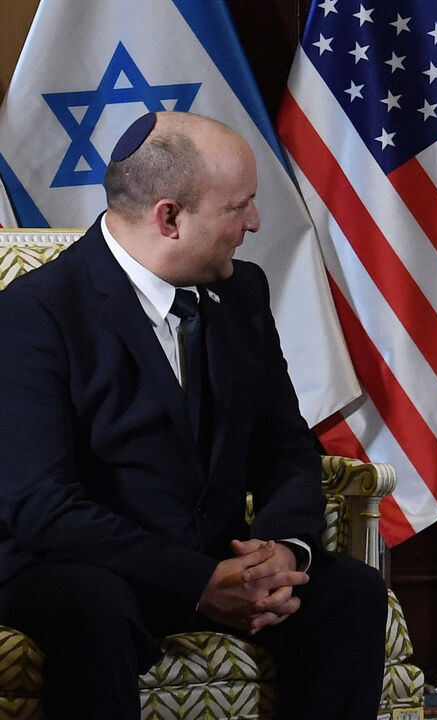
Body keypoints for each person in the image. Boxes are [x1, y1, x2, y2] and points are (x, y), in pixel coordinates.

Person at [0, 111, 387, 719]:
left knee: (351, 595)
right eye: (240, 207)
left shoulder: (242, 293)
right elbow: (40, 506)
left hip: (221, 561)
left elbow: (286, 449)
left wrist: (281, 552)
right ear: (170, 217)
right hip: (87, 567)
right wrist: (199, 582)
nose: (254, 224)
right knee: (92, 609)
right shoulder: (35, 312)